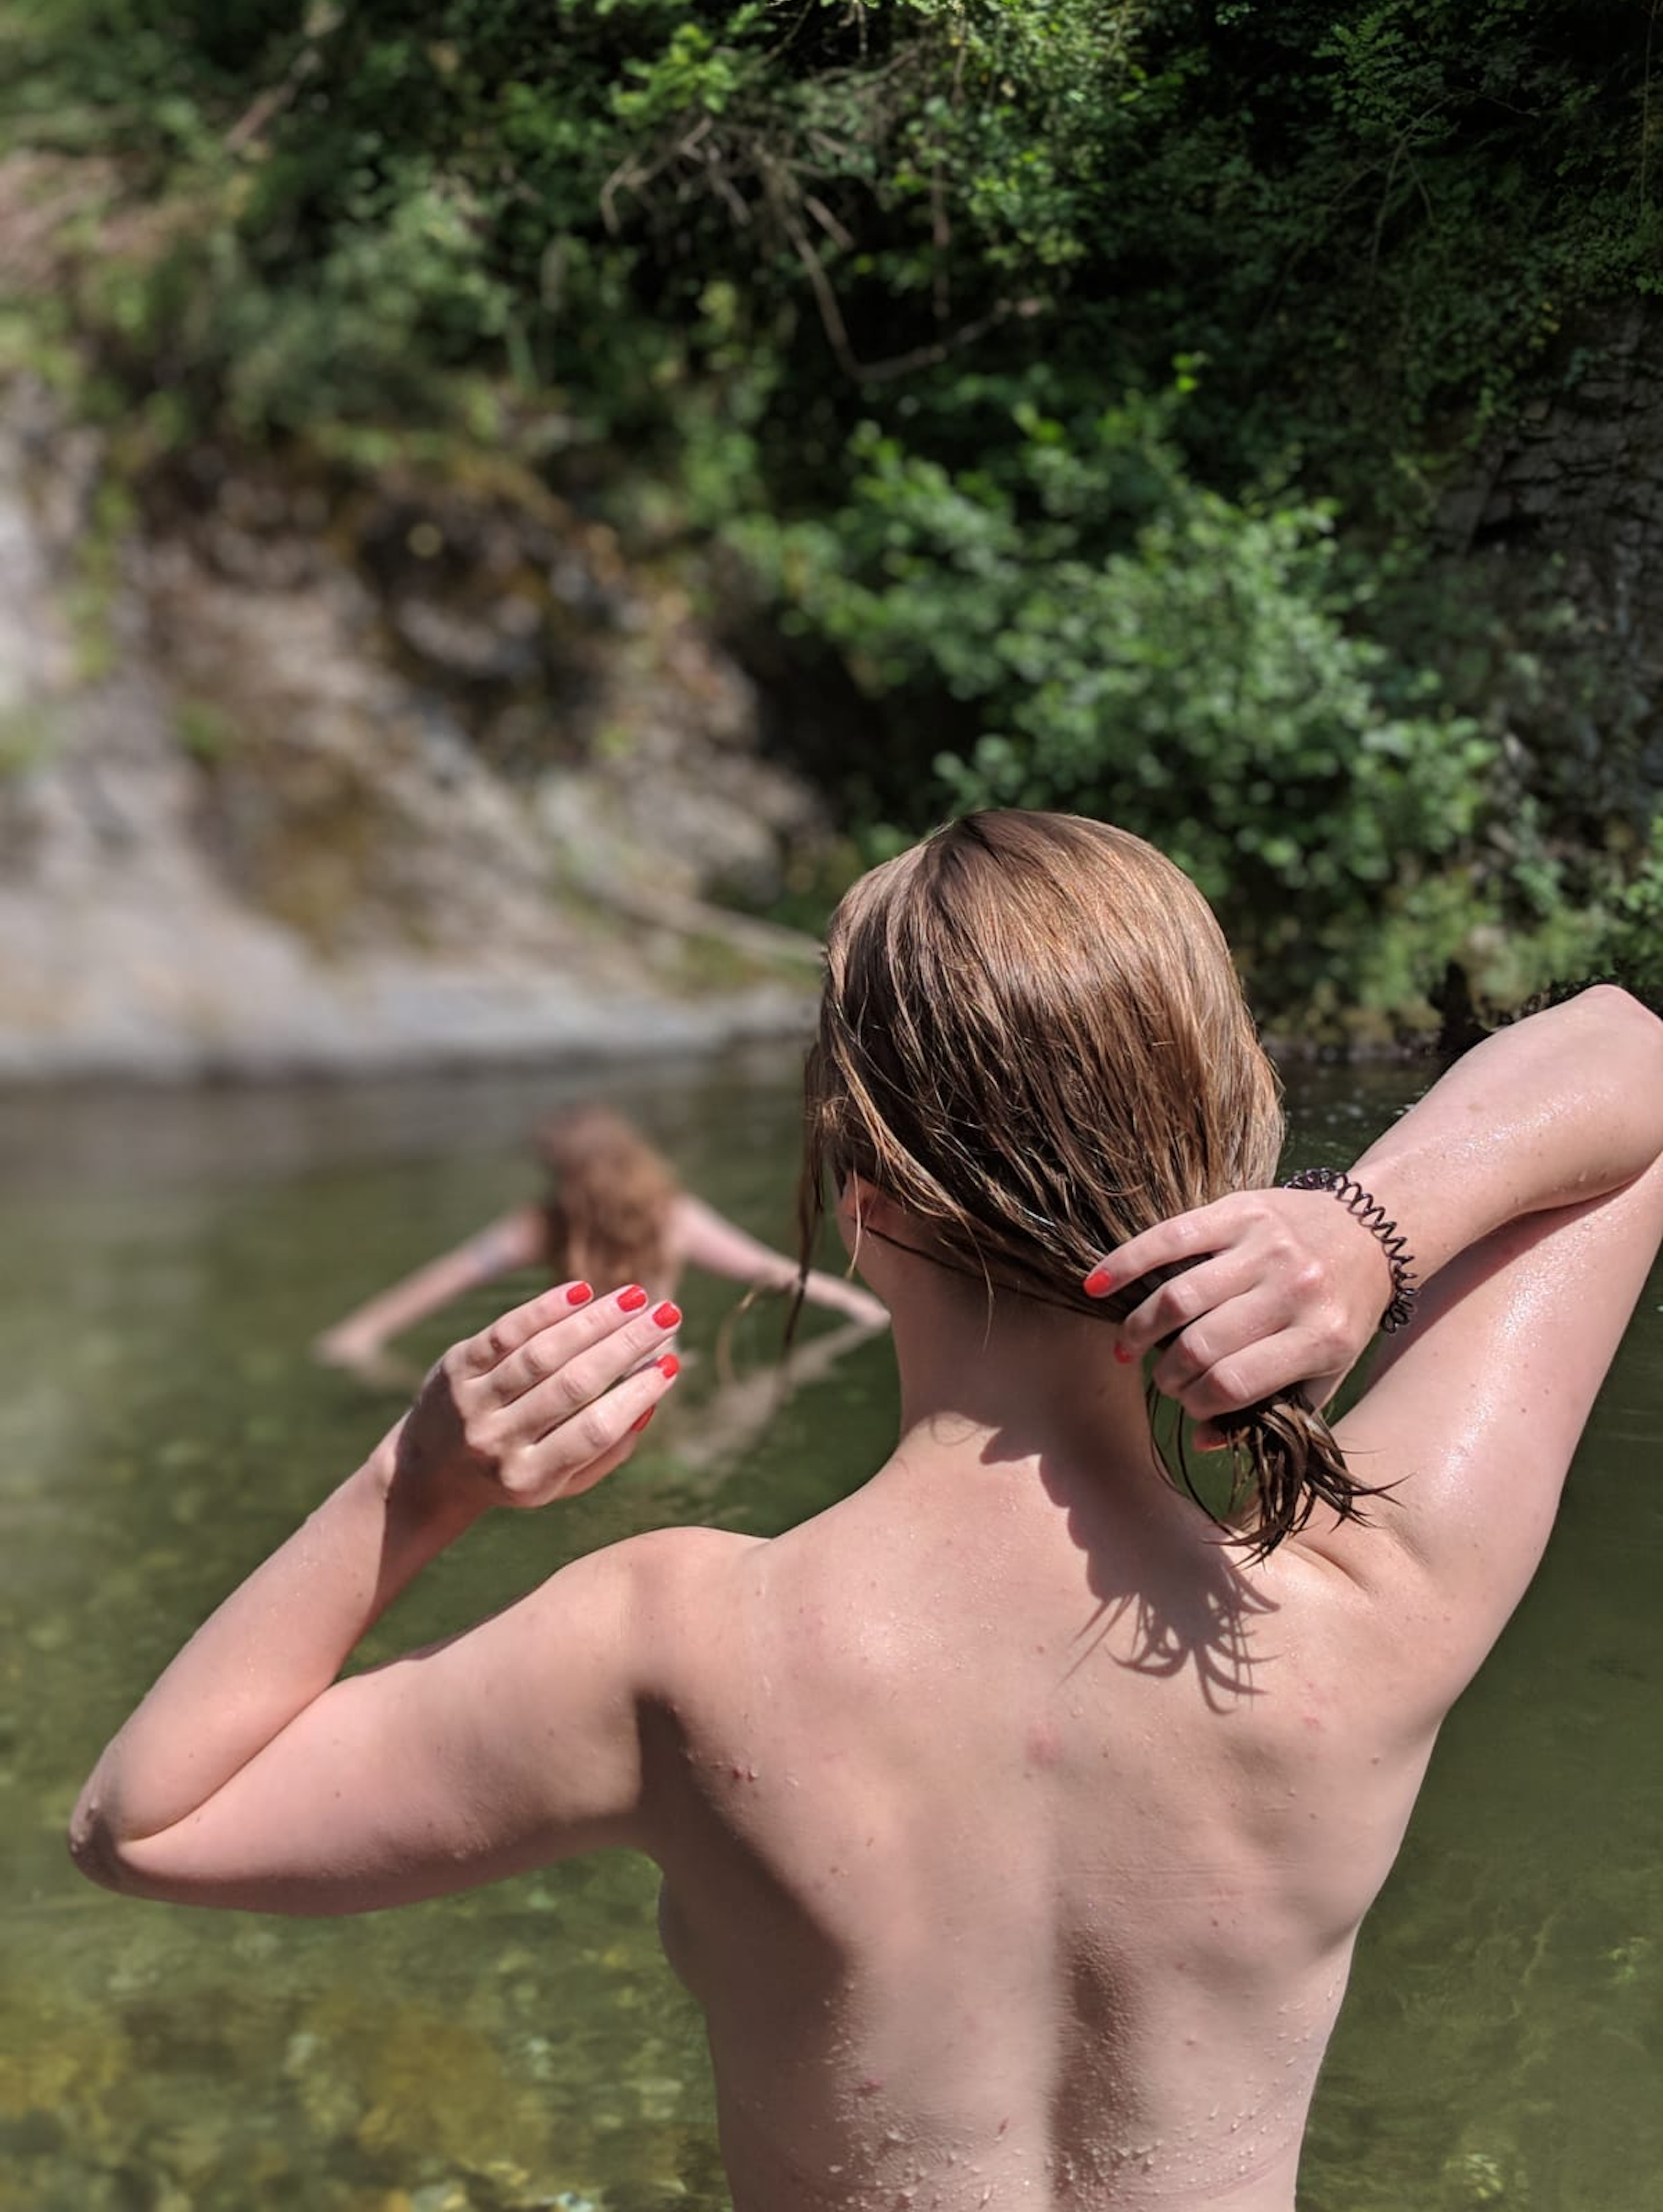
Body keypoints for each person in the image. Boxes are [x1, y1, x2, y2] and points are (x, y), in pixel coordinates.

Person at [69, 812, 1663, 2212]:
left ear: (862, 1194)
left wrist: (415, 1483)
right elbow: (1630, 1056)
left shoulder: (676, 1650)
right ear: (1232, 1140)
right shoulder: (1370, 1606)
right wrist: (1372, 1231)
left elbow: (146, 1825)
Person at [312, 1101, 887, 1369]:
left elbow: (451, 1275)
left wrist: (363, 1334)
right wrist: (861, 1308)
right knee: (750, 1400)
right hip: (658, 1373)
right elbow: (769, 1270)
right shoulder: (671, 1217)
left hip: (572, 1375)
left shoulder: (545, 1226)